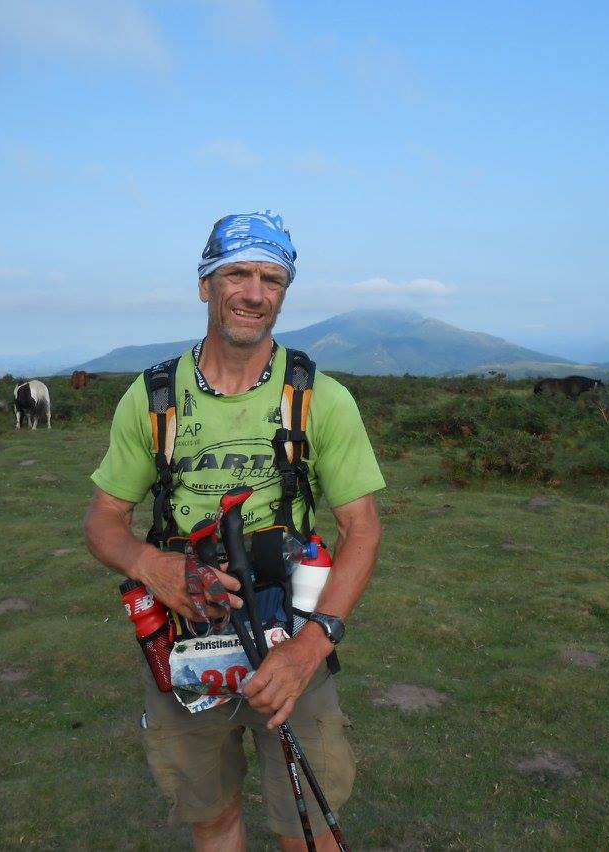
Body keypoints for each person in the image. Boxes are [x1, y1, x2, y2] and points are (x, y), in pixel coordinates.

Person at [83, 211, 384, 851]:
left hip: (293, 643)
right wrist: (151, 566)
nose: (253, 293)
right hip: (187, 641)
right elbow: (103, 519)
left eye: (271, 279)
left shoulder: (320, 397)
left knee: (308, 826)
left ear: (283, 292)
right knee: (211, 816)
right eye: (237, 274)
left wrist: (310, 651)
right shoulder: (153, 397)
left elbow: (361, 529)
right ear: (205, 285)